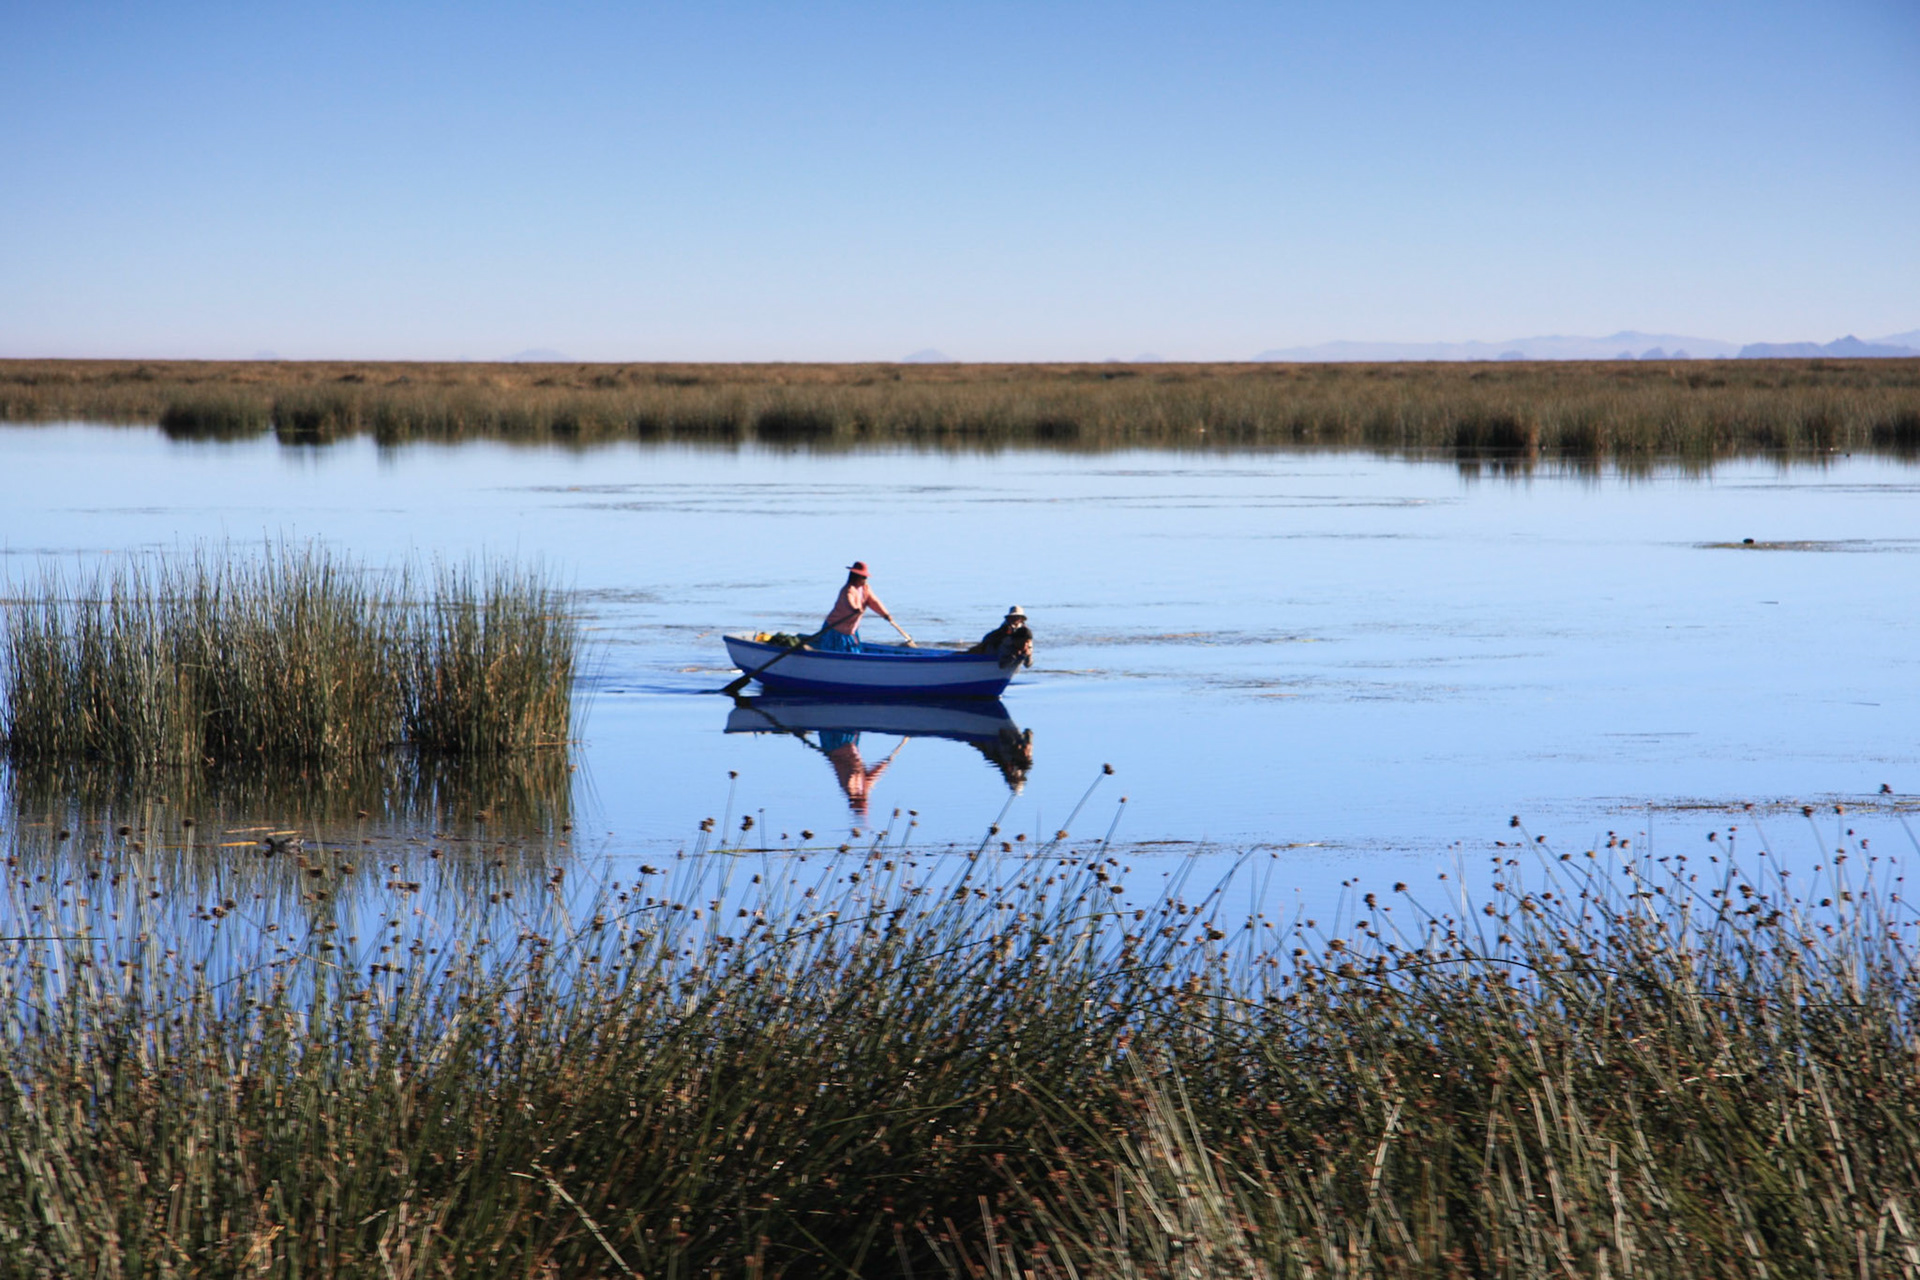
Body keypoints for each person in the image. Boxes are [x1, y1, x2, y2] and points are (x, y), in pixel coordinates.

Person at [816, 560, 908, 652]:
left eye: (866, 577)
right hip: (836, 630)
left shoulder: (866, 589)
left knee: (853, 651)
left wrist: (885, 614)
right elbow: (849, 600)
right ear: (855, 577)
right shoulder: (848, 589)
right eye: (863, 577)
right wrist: (855, 608)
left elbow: (874, 602)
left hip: (851, 630)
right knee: (835, 651)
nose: (865, 580)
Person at [967, 606, 1034, 669]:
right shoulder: (1003, 632)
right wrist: (1013, 655)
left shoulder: (1026, 633)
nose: (1015, 619)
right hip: (994, 649)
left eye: (1017, 617)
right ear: (1009, 618)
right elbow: (1002, 666)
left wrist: (1026, 654)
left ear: (1021, 619)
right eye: (1013, 617)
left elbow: (1028, 665)